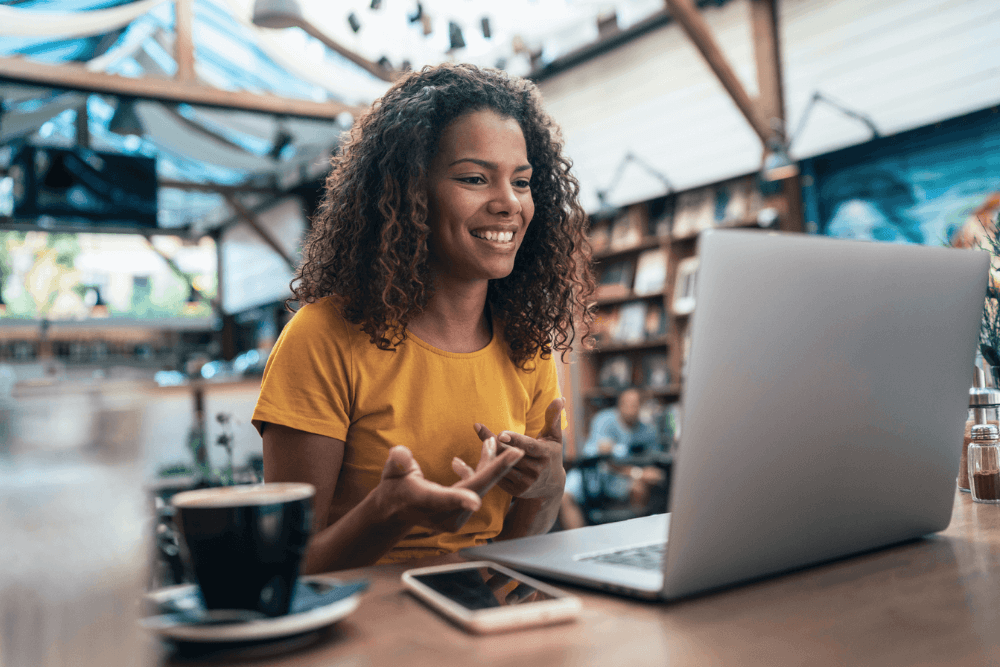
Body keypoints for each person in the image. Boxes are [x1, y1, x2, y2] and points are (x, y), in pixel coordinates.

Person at [252, 63, 594, 573]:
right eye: (475, 178)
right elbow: (285, 569)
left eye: (521, 182)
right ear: (410, 192)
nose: (508, 204)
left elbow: (513, 557)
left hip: (487, 623)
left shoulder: (527, 344)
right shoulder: (323, 337)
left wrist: (546, 490)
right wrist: (387, 512)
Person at [560, 388, 664, 530]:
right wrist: (637, 472)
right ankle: (578, 546)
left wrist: (644, 474)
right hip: (593, 474)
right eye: (626, 403)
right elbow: (604, 462)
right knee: (564, 495)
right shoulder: (604, 420)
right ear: (619, 404)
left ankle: (634, 541)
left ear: (641, 406)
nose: (630, 408)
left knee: (640, 488)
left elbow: (654, 462)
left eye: (635, 404)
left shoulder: (648, 430)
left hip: (621, 478)